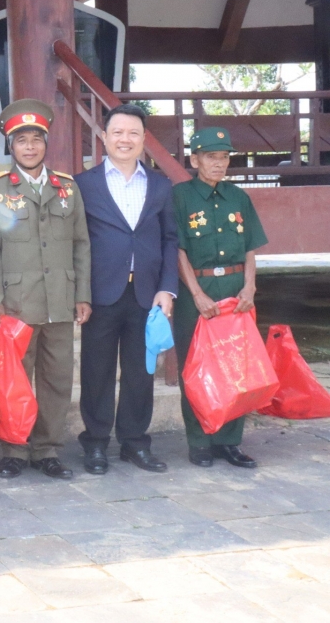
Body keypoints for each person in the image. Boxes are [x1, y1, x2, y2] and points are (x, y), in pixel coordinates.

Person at [0, 99, 91, 480]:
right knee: (15, 379)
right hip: (17, 303)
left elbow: (81, 245)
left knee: (57, 379)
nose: (29, 147)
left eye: (36, 139)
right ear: (10, 146)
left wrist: (82, 295)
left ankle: (47, 449)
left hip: (59, 301)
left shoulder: (67, 189)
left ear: (46, 143)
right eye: (21, 140)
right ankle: (14, 449)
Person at [74, 104, 177, 475]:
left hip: (147, 296)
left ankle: (134, 443)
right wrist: (80, 293)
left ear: (144, 140)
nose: (125, 139)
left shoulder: (161, 185)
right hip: (100, 295)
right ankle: (96, 443)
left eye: (133, 133)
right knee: (96, 371)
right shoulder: (82, 185)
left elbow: (169, 239)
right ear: (103, 137)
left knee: (140, 372)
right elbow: (76, 242)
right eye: (117, 132)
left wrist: (167, 289)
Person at [173, 127, 267, 469]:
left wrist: (250, 288)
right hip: (196, 295)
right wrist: (196, 294)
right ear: (195, 159)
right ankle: (199, 441)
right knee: (194, 369)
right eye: (211, 157)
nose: (219, 164)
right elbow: (179, 250)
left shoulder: (238, 196)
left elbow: (251, 248)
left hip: (235, 291)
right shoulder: (180, 197)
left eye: (224, 157)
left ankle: (229, 441)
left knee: (236, 368)